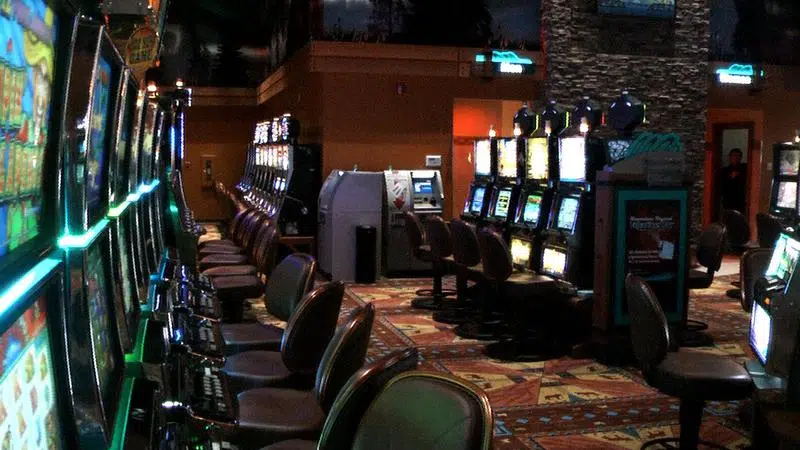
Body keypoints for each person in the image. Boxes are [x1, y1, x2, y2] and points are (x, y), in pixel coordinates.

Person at [719, 148, 747, 213]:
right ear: (729, 157)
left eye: (738, 156)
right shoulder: (724, 170)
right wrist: (730, 177)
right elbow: (722, 186)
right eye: (733, 155)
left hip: (741, 200)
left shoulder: (745, 168)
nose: (735, 158)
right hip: (728, 200)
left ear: (741, 158)